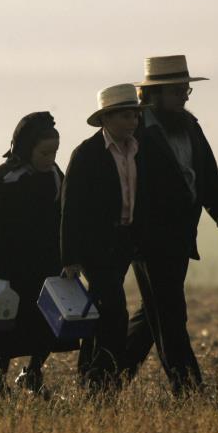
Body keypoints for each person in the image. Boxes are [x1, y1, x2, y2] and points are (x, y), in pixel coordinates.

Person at [123, 55, 218, 395]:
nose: (185, 96)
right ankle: (189, 390)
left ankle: (107, 381)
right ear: (154, 94)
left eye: (186, 89)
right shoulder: (137, 132)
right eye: (177, 91)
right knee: (171, 314)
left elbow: (209, 179)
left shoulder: (190, 127)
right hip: (148, 240)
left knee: (153, 315)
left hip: (179, 239)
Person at [0, 111, 72, 396]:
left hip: (46, 266)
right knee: (2, 327)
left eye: (54, 152)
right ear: (26, 148)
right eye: (44, 152)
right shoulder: (2, 181)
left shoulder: (55, 176)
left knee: (48, 324)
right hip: (9, 269)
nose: (50, 158)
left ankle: (34, 372)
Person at [61, 84, 143, 393]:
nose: (132, 122)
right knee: (115, 314)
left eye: (134, 115)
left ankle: (90, 377)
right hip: (96, 246)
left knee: (100, 312)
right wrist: (70, 258)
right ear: (106, 118)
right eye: (125, 116)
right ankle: (102, 379)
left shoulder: (136, 149)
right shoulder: (86, 154)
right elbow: (70, 209)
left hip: (124, 242)